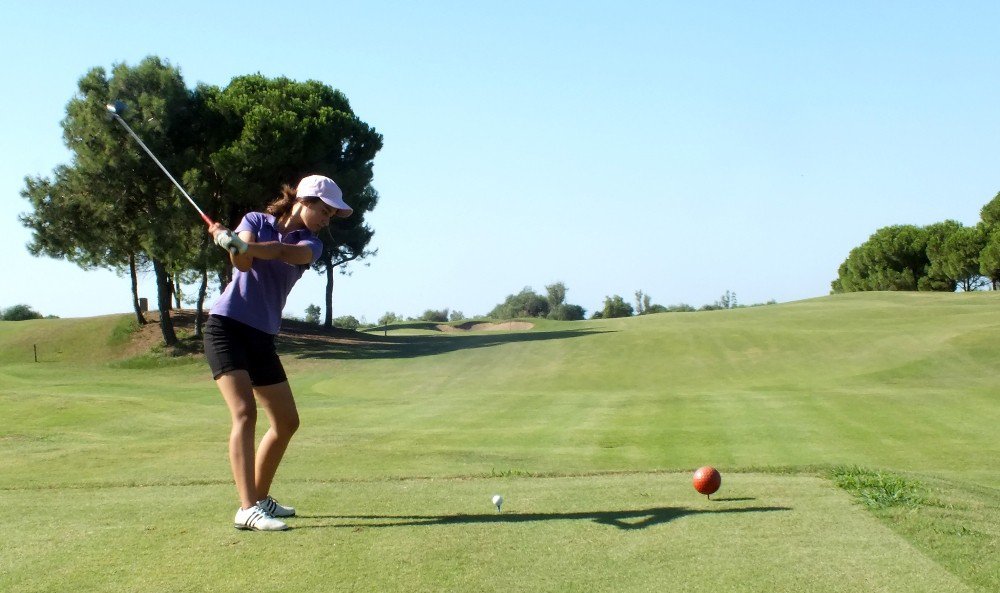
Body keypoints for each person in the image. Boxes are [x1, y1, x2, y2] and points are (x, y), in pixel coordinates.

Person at [204, 174, 352, 531]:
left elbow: (282, 253)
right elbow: (243, 264)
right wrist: (233, 245)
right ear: (304, 200)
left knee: (287, 422)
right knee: (244, 413)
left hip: (261, 335)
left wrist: (241, 246)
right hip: (226, 327)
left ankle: (259, 497)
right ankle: (246, 509)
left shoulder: (310, 244)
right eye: (325, 211)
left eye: (331, 215)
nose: (326, 220)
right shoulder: (255, 221)